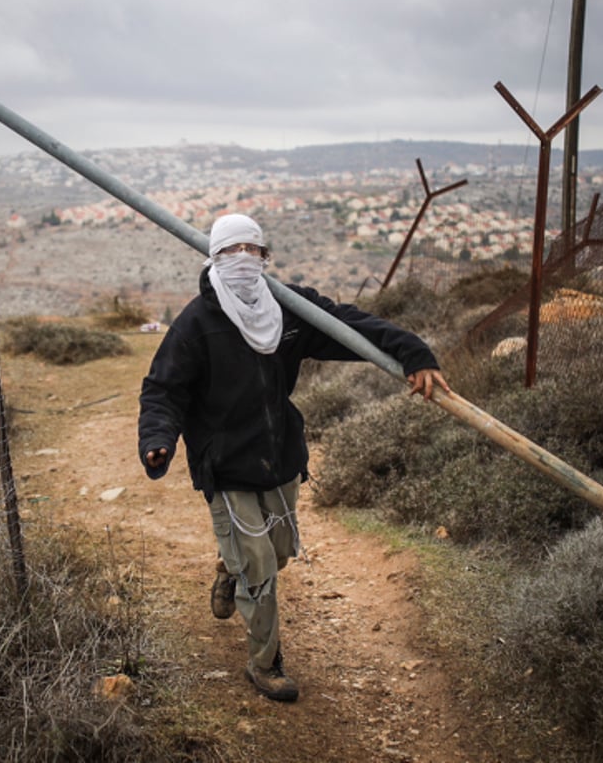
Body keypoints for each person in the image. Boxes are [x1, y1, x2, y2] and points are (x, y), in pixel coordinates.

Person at [137, 213, 450, 702]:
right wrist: (158, 437)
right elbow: (163, 389)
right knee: (260, 565)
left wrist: (414, 353)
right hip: (225, 463)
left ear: (266, 257)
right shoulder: (197, 323)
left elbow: (348, 325)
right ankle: (265, 663)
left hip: (280, 455)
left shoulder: (286, 309)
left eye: (252, 250)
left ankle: (229, 565)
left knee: (278, 552)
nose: (242, 260)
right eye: (230, 251)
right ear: (213, 258)